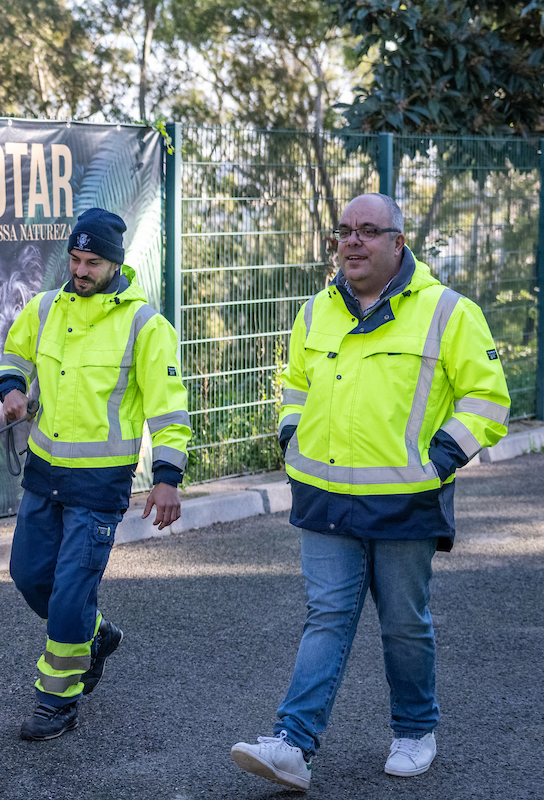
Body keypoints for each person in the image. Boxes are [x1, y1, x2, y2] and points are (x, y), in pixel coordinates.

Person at [230, 193, 510, 790]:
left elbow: (488, 399)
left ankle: (415, 729)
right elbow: (296, 383)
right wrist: (289, 433)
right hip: (323, 498)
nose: (352, 242)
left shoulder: (448, 311)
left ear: (398, 242)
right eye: (344, 231)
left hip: (406, 502)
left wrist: (439, 459)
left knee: (403, 624)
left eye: (368, 232)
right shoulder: (317, 311)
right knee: (326, 616)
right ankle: (292, 743)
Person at [0, 207, 191, 740]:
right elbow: (13, 352)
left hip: (100, 486)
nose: (80, 271)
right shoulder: (45, 308)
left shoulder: (145, 324)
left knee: (68, 594)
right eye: (76, 260)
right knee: (29, 576)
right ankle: (97, 635)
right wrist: (11, 389)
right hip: (43, 475)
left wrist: (167, 477)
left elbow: (169, 409)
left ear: (115, 264)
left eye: (93, 262)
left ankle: (57, 701)